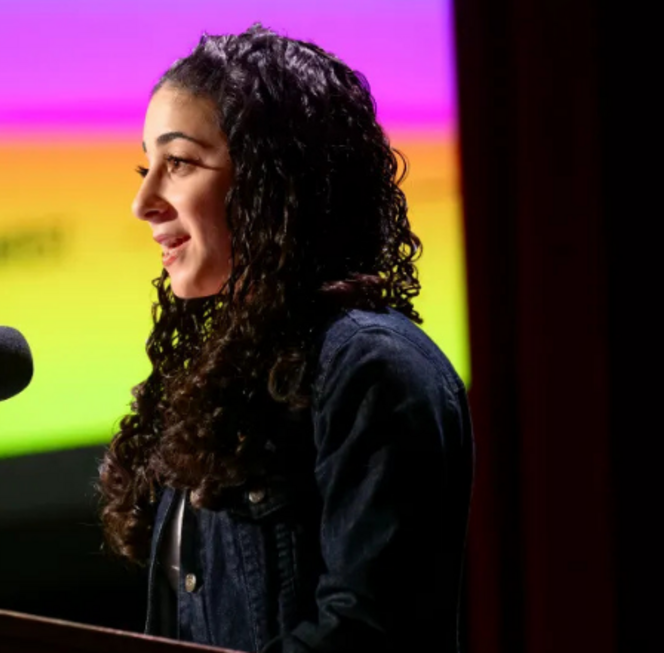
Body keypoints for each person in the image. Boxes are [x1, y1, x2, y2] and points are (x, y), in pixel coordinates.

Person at [98, 25, 473, 653]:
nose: (144, 201)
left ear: (274, 183)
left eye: (180, 163)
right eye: (146, 166)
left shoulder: (370, 366)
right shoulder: (226, 383)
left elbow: (364, 634)